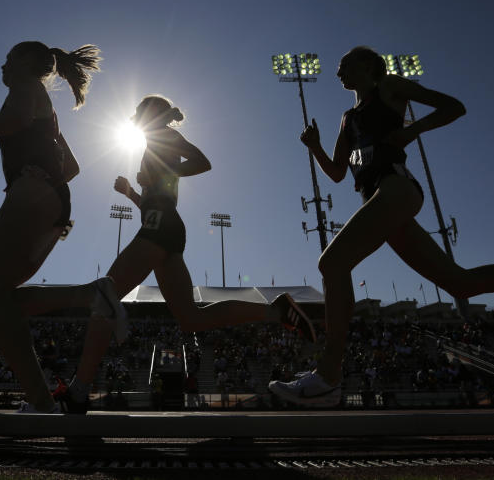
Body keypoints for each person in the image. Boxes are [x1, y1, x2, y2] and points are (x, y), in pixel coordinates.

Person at [268, 46, 494, 407]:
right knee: (460, 282)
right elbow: (339, 174)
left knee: (333, 263)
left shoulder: (388, 88)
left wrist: (411, 131)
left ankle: (328, 376)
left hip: (396, 188)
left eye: (348, 60)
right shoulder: (346, 119)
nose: (338, 66)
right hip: (376, 200)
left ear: (369, 65)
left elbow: (453, 106)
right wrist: (315, 148)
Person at [16, 95, 316, 413]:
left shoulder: (165, 137)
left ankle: (78, 392)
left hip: (161, 226)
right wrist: (132, 193)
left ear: (151, 113)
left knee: (104, 297)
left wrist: (163, 172)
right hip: (164, 225)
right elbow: (152, 204)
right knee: (190, 318)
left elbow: (202, 161)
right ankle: (275, 311)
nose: (133, 115)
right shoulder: (152, 144)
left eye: (138, 111)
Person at [0, 41, 116, 414]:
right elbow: (73, 169)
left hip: (31, 192)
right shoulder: (48, 111)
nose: (3, 65)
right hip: (54, 202)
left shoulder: (25, 87)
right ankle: (91, 298)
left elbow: (17, 121)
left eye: (8, 58)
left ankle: (43, 399)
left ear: (26, 63)